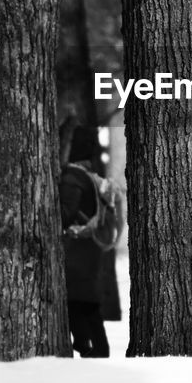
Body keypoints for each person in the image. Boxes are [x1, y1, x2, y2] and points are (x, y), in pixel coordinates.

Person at [59, 127, 112, 358]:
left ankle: (93, 348)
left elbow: (65, 214)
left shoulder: (72, 179)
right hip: (86, 248)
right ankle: (92, 347)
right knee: (82, 301)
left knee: (79, 301)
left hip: (76, 250)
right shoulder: (88, 176)